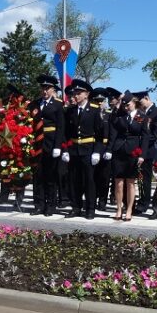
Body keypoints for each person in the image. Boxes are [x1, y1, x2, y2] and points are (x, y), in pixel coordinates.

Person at [62, 79, 104, 219]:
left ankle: (90, 208)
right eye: (75, 93)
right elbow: (66, 133)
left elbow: (100, 134)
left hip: (88, 150)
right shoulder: (70, 111)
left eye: (79, 93)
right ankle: (76, 207)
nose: (76, 95)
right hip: (74, 150)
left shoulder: (94, 110)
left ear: (87, 94)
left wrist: (97, 152)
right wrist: (66, 150)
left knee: (89, 181)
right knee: (74, 180)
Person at [108, 91, 150, 221]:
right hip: (119, 151)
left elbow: (145, 137)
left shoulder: (142, 117)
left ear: (134, 103)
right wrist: (110, 150)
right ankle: (119, 208)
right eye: (124, 105)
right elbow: (113, 133)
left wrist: (142, 154)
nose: (126, 107)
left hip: (133, 152)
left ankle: (130, 209)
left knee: (131, 183)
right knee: (118, 182)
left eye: (128, 104)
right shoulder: (120, 116)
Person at [29, 75, 65, 217]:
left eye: (47, 88)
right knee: (38, 176)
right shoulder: (34, 104)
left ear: (52, 89)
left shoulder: (58, 104)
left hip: (51, 143)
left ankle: (51, 205)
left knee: (50, 176)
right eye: (43, 88)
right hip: (37, 144)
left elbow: (61, 127)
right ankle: (38, 204)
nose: (44, 91)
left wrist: (58, 146)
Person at [134, 91, 157, 214]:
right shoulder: (139, 113)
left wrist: (142, 142)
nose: (138, 104)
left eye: (140, 101)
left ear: (146, 98)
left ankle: (144, 203)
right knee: (139, 178)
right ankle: (141, 200)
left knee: (145, 178)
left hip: (148, 150)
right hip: (137, 149)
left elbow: (156, 133)